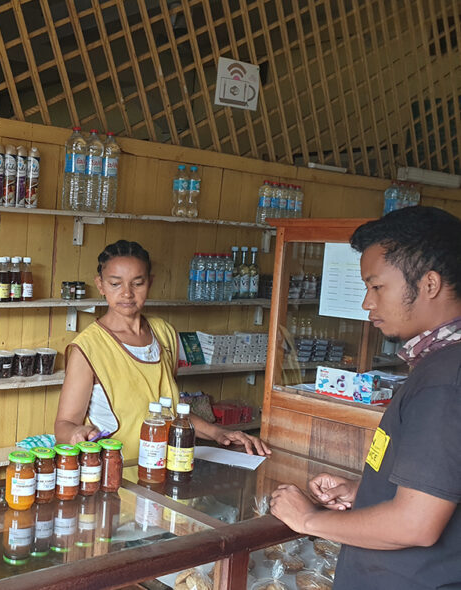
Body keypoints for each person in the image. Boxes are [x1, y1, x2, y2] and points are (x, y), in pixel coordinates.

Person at [270, 206, 461, 589]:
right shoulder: (438, 364)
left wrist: (306, 520)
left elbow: (416, 524)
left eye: (376, 287)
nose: (366, 303)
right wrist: (368, 491)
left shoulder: (445, 380)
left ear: (429, 285)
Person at [54, 239, 269, 457]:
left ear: (150, 283)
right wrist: (76, 432)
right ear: (100, 285)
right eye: (115, 283)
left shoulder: (163, 333)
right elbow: (64, 424)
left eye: (137, 283)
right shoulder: (89, 347)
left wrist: (219, 433)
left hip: (166, 465)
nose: (127, 293)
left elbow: (169, 409)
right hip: (114, 471)